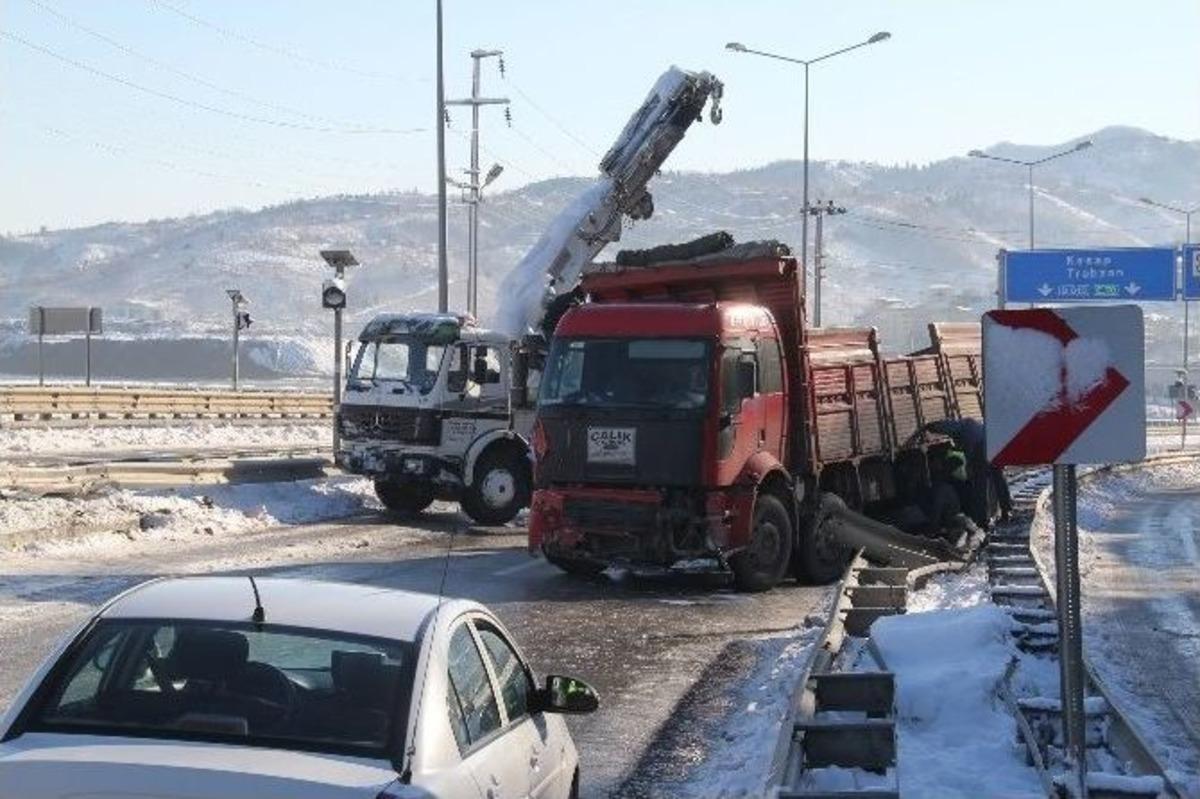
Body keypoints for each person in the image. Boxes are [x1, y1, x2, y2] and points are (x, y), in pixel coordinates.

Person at [924, 417, 1012, 527]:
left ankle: (982, 521)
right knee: (998, 480)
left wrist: (969, 471)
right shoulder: (967, 425)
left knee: (980, 487)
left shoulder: (962, 431)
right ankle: (1006, 511)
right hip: (993, 447)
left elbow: (970, 454)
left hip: (982, 452)